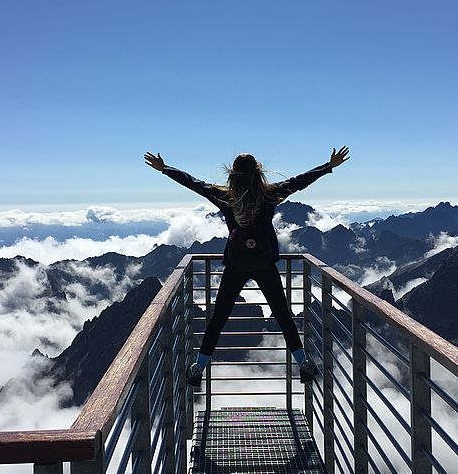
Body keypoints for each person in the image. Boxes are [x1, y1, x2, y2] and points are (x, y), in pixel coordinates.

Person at [144, 147, 350, 386]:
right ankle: (303, 363)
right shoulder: (270, 195)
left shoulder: (224, 197)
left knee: (219, 316)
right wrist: (328, 165)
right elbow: (300, 181)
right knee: (283, 314)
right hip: (264, 263)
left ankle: (198, 367)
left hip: (236, 264)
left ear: (233, 174)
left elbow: (194, 184)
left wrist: (165, 169)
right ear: (258, 172)